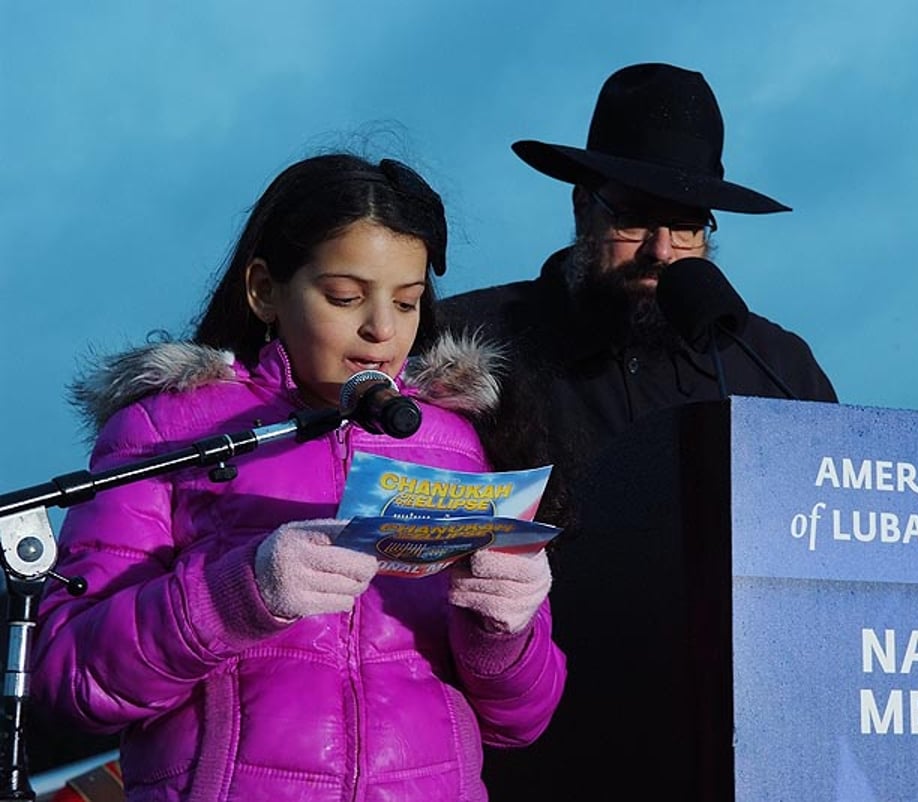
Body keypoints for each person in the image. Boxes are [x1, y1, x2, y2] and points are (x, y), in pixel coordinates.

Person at [30, 153, 566, 802]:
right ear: (264, 290)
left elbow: (521, 720)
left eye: (408, 301)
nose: (383, 329)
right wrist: (238, 595)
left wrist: (505, 626)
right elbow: (67, 675)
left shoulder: (455, 440)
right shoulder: (165, 430)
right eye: (345, 297)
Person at [439, 63, 837, 799]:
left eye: (687, 225)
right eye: (634, 219)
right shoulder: (467, 340)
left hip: (734, 753)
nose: (661, 248)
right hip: (532, 746)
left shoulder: (775, 364)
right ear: (582, 206)